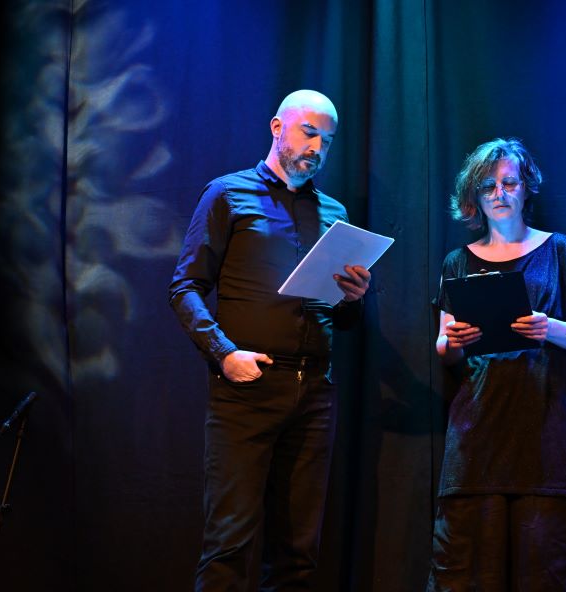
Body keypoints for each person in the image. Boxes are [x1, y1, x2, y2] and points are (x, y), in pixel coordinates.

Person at [168, 89, 371, 591]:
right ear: (277, 127)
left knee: (298, 553)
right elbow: (185, 287)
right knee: (229, 542)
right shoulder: (228, 194)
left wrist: (353, 298)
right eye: (309, 133)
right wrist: (224, 354)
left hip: (314, 391)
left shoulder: (333, 212)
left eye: (327, 140)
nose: (317, 148)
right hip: (248, 388)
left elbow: (343, 320)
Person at [428, 138, 566, 591]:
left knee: (546, 569)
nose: (499, 193)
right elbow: (443, 344)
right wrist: (453, 341)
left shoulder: (560, 250)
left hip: (546, 430)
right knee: (466, 572)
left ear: (526, 188)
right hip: (478, 431)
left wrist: (550, 328)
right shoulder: (458, 261)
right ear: (475, 197)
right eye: (488, 186)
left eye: (509, 183)